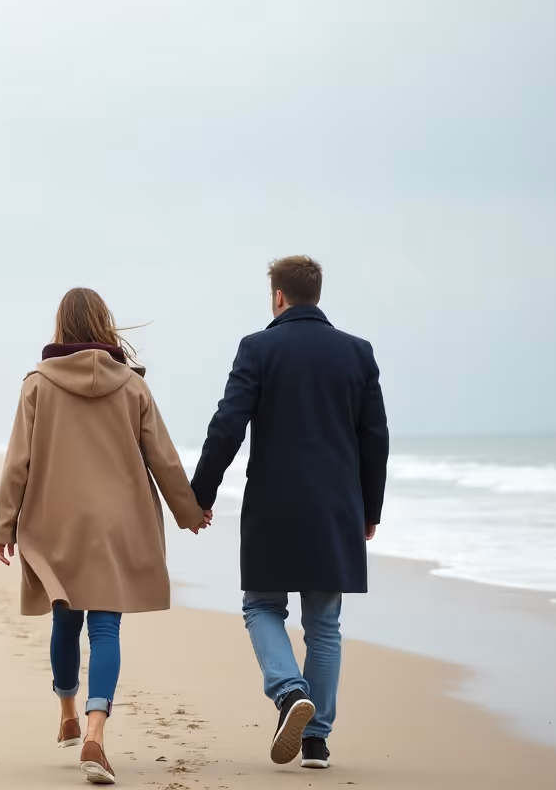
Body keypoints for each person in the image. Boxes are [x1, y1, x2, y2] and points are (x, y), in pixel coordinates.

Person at [0, 287, 212, 785]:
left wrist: (4, 524)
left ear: (60, 328)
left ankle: (66, 709)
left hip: (55, 521)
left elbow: (17, 464)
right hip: (118, 523)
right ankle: (95, 735)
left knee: (64, 619)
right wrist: (189, 511)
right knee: (106, 629)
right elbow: (163, 457)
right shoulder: (132, 387)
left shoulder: (36, 385)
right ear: (105, 324)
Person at [189, 256, 389, 771]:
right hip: (336, 506)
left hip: (274, 504)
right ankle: (316, 742)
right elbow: (375, 438)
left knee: (262, 607)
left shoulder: (258, 348)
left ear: (278, 297)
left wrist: (200, 493)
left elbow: (227, 425)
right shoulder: (357, 352)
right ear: (315, 294)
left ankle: (288, 692)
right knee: (323, 624)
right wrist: (371, 508)